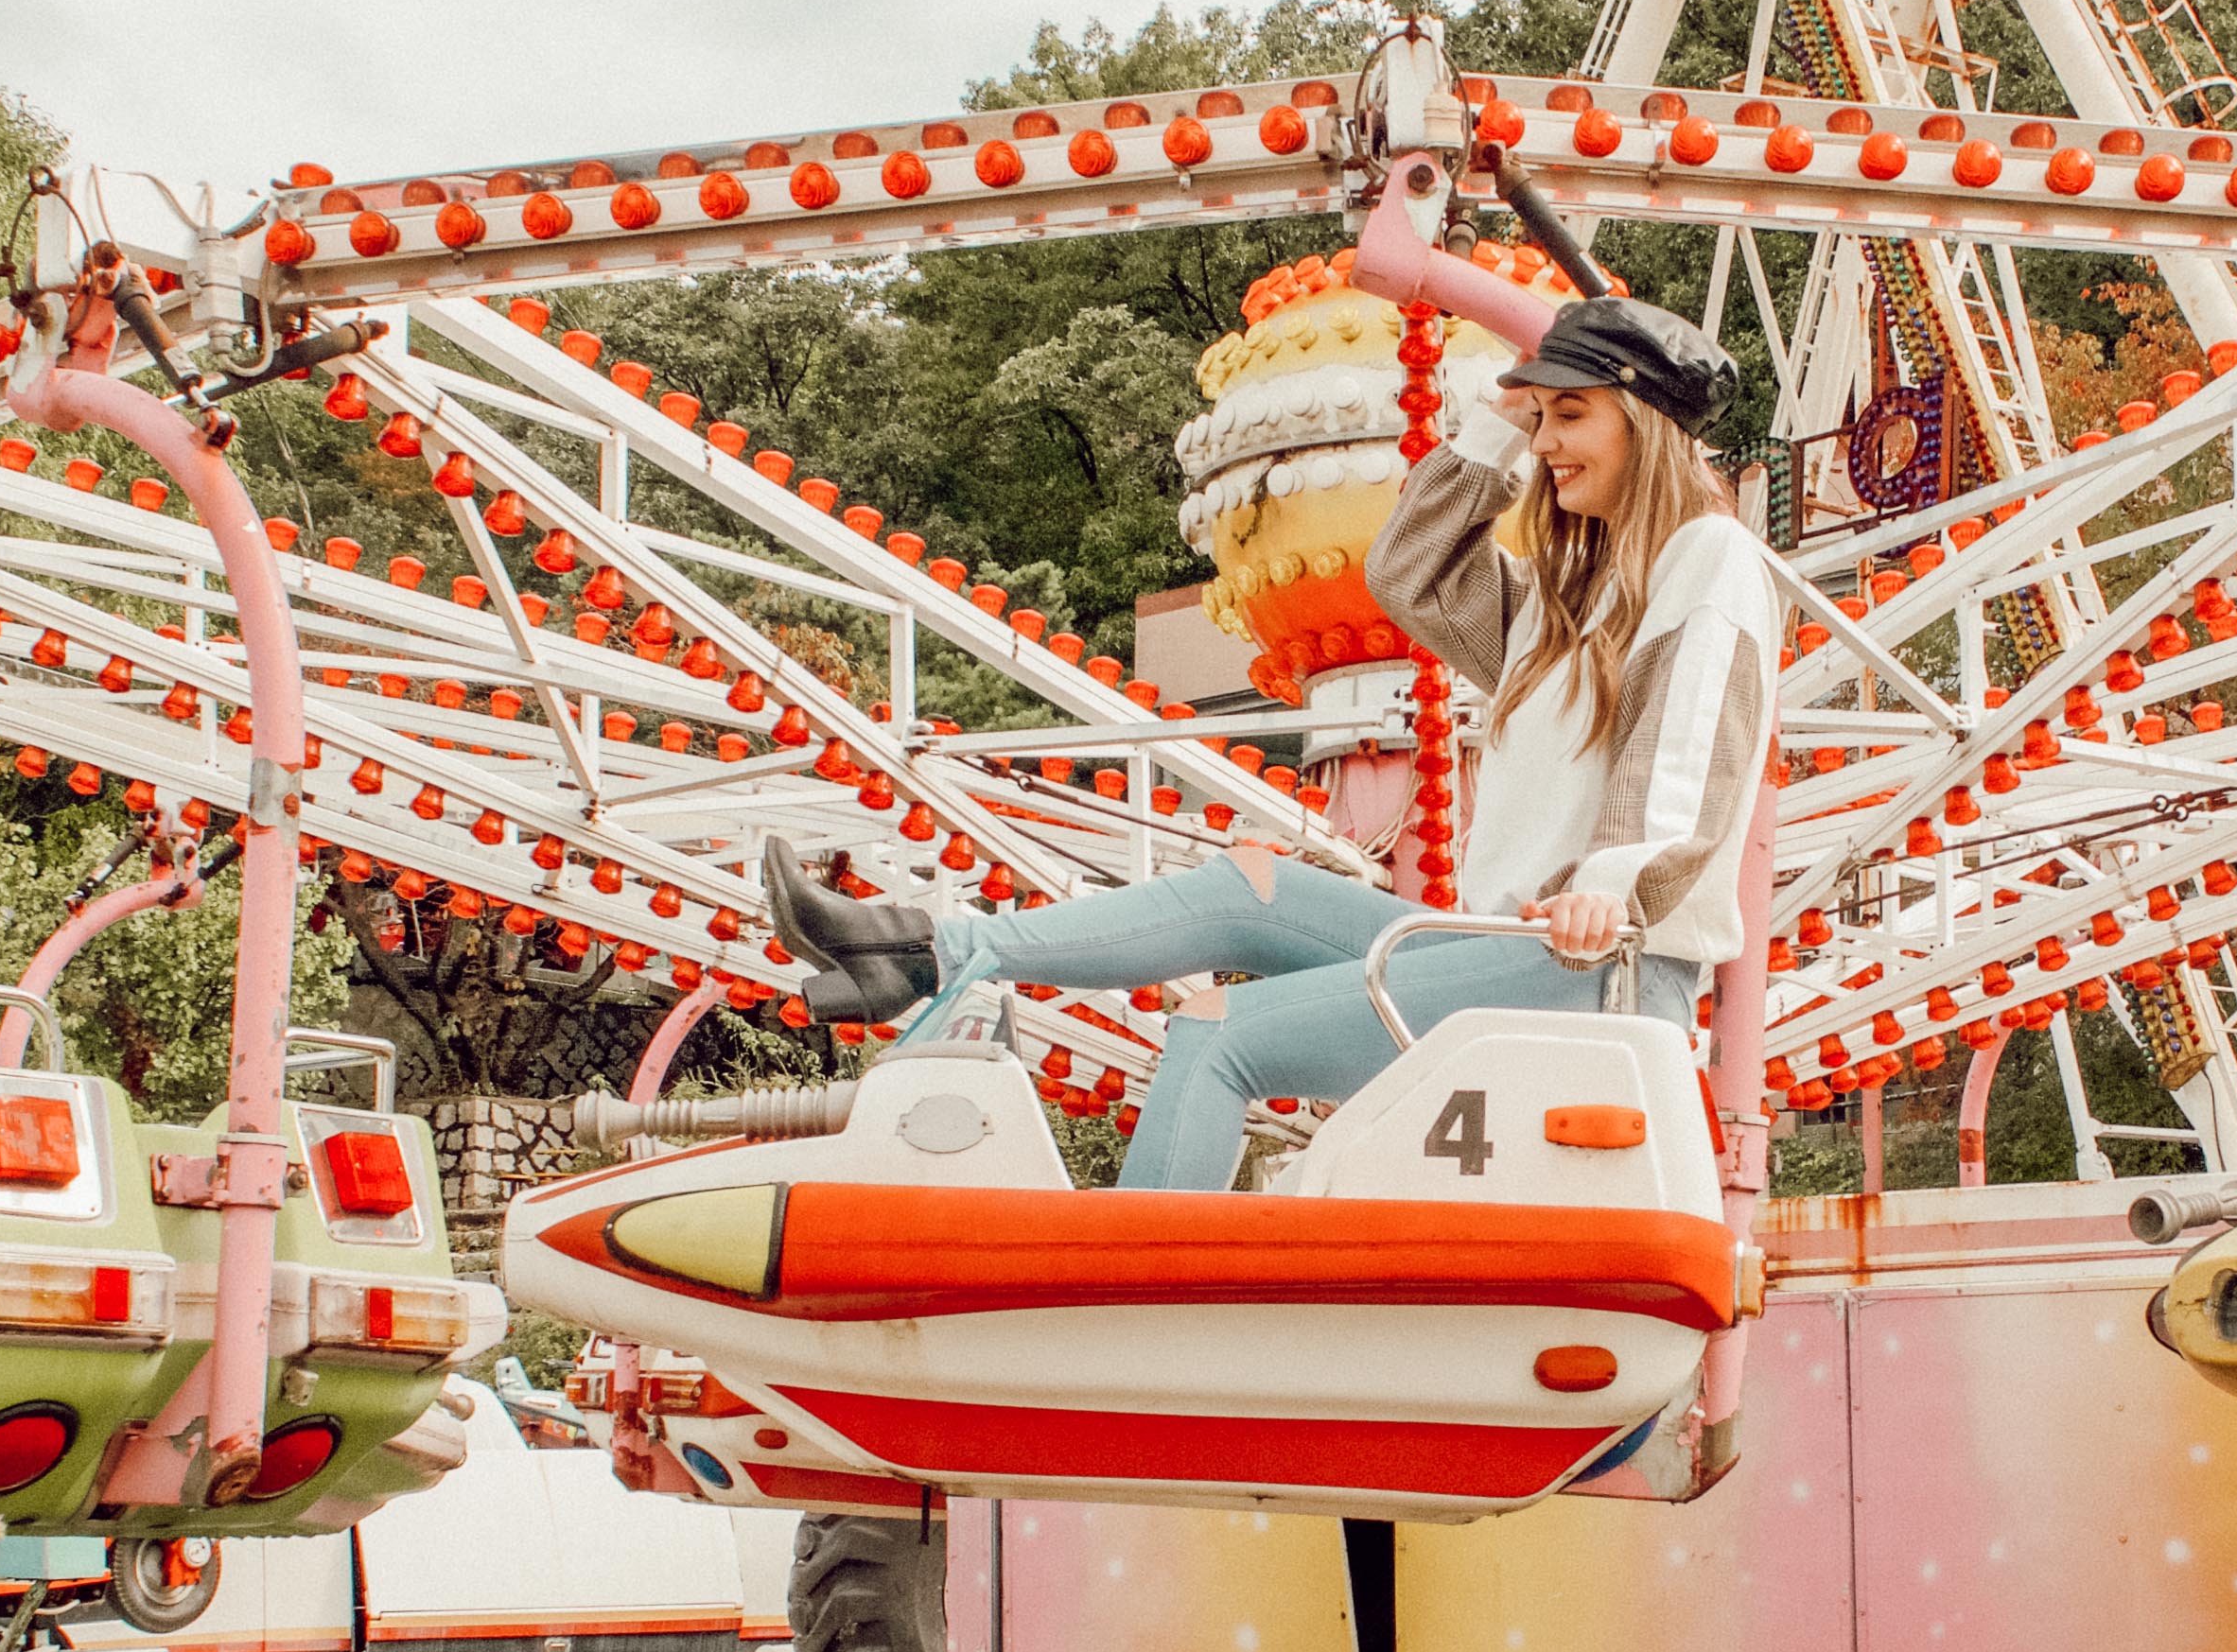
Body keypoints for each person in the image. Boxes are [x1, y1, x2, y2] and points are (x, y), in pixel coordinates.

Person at [760, 290, 1781, 1190]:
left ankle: (1126, 1285)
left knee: (1220, 1035)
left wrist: (1618, 877)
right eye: (1542, 416)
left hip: (1589, 965)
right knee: (1241, 888)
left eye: (1571, 415)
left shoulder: (1709, 555)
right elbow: (1409, 573)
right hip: (1509, 950)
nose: (1547, 441)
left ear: (1644, 426)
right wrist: (1497, 427)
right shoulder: (1566, 600)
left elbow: (1686, 752)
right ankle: (923, 950)